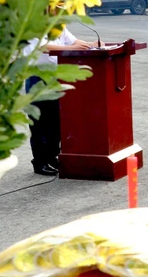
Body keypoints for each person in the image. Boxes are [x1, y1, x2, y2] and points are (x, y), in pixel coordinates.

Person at [23, 23, 97, 175]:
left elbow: (73, 41)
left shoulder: (58, 25)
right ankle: (40, 162)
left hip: (56, 77)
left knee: (55, 121)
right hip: (38, 78)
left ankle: (52, 157)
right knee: (40, 122)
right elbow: (43, 47)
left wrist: (90, 45)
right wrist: (73, 48)